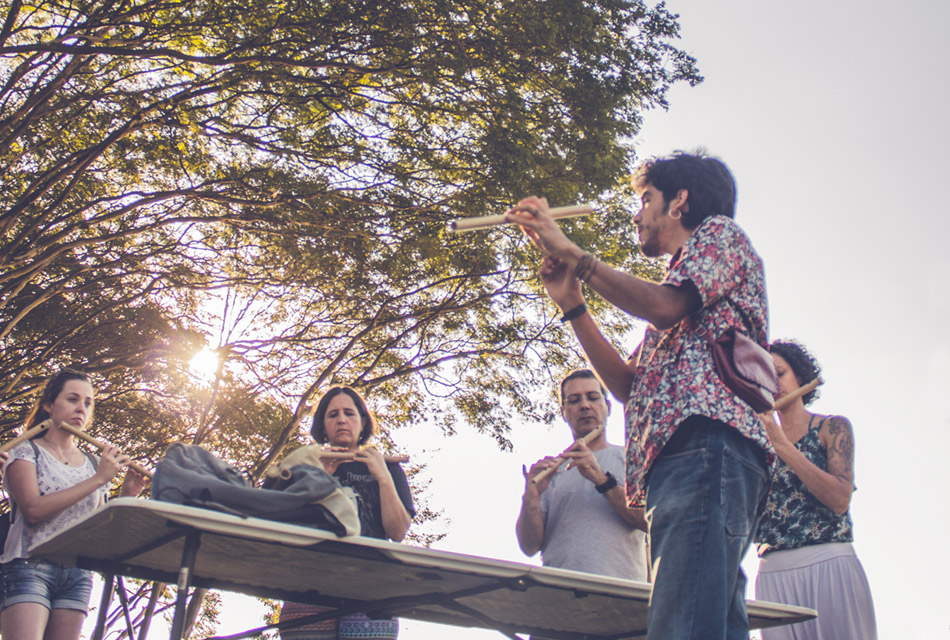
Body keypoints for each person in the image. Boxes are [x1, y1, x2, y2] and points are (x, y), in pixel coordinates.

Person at [506, 151, 773, 639]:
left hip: (707, 448)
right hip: (684, 461)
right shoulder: (681, 300)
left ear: (680, 201)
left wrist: (575, 254)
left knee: (682, 620)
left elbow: (663, 306)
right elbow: (629, 387)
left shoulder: (719, 237)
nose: (637, 213)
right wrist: (572, 304)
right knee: (712, 617)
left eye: (645, 199)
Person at [0, 367, 146, 640]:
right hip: (28, 565)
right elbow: (33, 510)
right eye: (72, 399)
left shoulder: (94, 463)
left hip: (78, 574)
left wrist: (128, 493)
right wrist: (100, 479)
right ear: (48, 405)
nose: (81, 409)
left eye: (88, 403)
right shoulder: (25, 451)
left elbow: (99, 530)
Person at [755, 340, 877, 639]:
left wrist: (782, 445)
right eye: (763, 378)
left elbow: (839, 500)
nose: (774, 384)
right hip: (773, 572)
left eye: (780, 373)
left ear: (800, 376)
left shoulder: (832, 427)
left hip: (830, 563)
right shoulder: (753, 443)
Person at [279, 386, 415, 640]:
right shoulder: (306, 464)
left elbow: (397, 532)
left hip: (371, 587)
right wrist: (319, 478)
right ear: (323, 424)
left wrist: (383, 478)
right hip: (309, 585)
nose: (341, 419)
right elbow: (286, 523)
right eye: (333, 415)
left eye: (349, 413)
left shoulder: (390, 468)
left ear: (362, 422)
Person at [516, 369, 647, 581]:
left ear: (608, 407)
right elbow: (529, 546)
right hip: (558, 596)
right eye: (574, 400)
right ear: (564, 412)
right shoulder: (551, 471)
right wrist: (531, 496)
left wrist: (602, 480)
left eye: (593, 397)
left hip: (621, 594)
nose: (585, 405)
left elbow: (647, 521)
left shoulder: (630, 457)